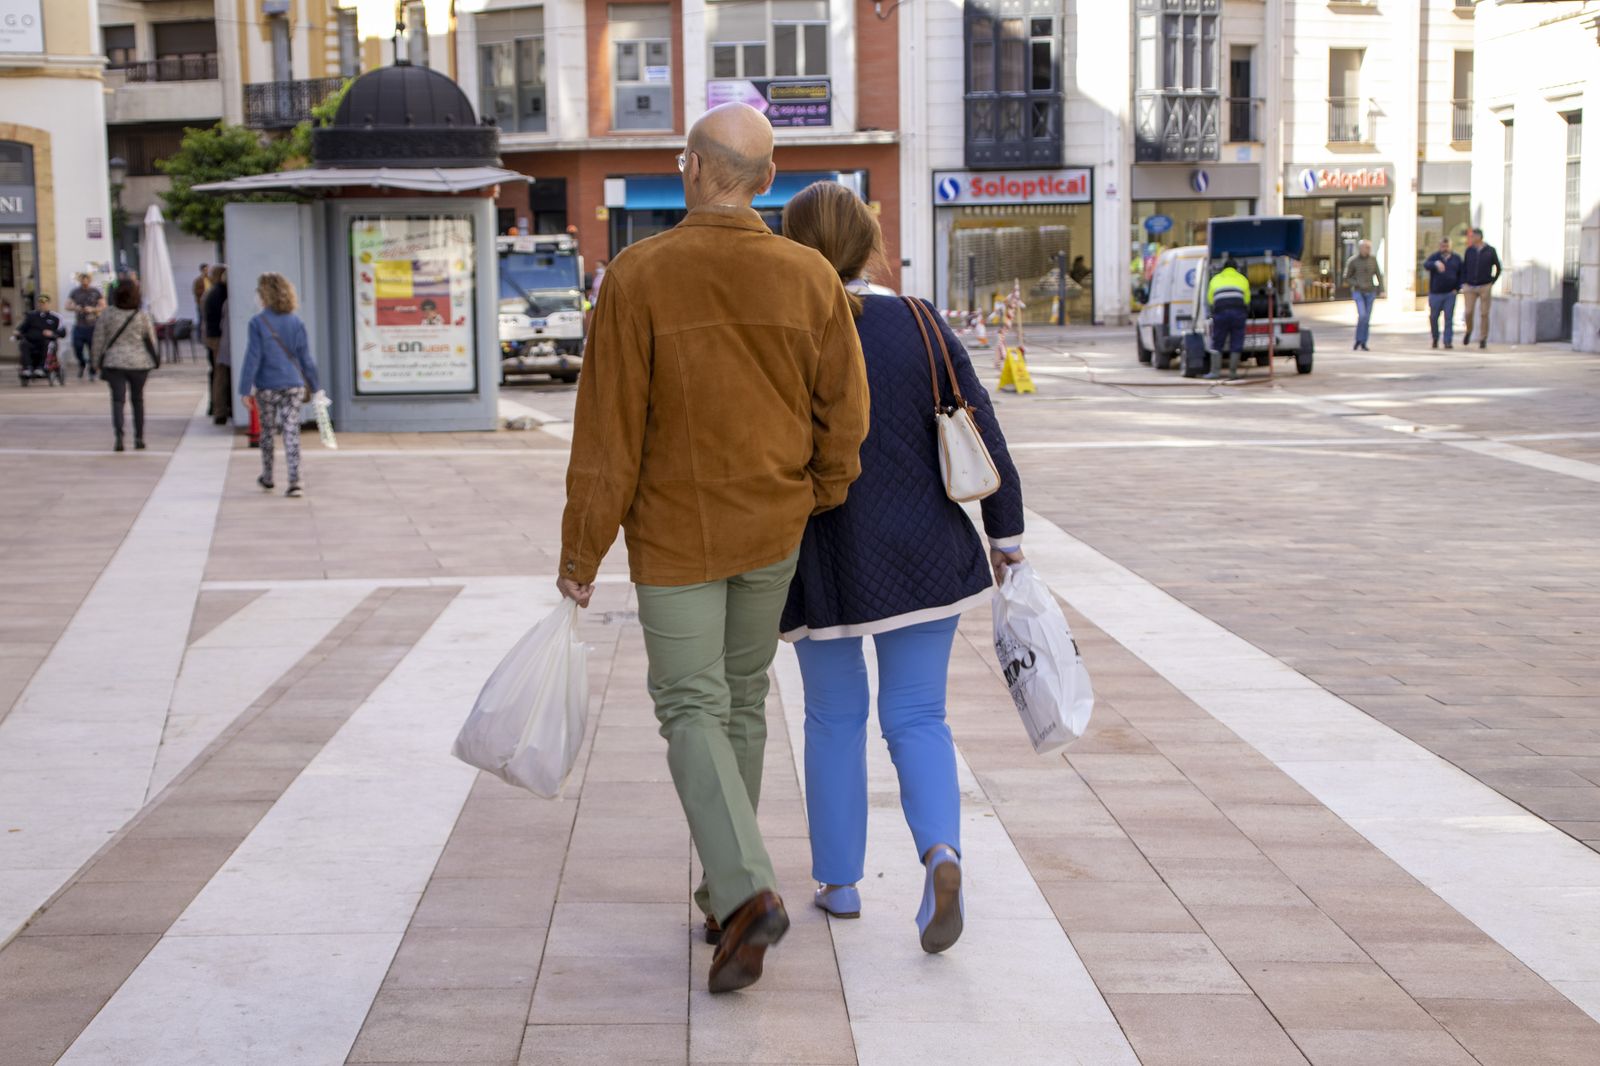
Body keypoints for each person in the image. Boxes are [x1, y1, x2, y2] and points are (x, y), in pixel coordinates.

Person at [556, 103, 870, 994]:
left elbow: (608, 432)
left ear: (691, 166)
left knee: (690, 705)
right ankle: (722, 894)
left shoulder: (638, 275)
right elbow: (846, 415)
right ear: (766, 181)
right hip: (773, 527)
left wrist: (581, 551)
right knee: (739, 702)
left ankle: (743, 891)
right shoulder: (810, 277)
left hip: (676, 534)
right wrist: (818, 492)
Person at [777, 180, 1024, 955]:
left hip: (823, 559)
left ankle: (841, 883)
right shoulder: (918, 320)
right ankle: (941, 854)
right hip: (924, 554)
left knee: (833, 717)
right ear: (869, 246)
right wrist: (1006, 535)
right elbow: (980, 423)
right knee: (919, 716)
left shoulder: (786, 328)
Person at [238, 272, 319, 498]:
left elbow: (253, 357)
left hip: (267, 386)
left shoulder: (257, 322)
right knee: (291, 430)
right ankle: (295, 481)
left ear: (264, 294)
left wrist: (245, 388)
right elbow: (305, 358)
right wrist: (316, 386)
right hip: (293, 384)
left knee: (267, 431)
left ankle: (268, 476)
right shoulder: (296, 321)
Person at [91, 280, 158, 451]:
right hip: (139, 362)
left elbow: (98, 339)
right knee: (138, 400)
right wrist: (155, 358)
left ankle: (119, 437)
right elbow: (151, 339)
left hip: (114, 362)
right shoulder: (142, 315)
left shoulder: (108, 314)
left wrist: (95, 362)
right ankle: (139, 437)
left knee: (117, 400)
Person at [1207, 256, 1250, 373]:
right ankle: (1233, 372)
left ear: (1223, 268)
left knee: (1217, 341)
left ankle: (1215, 372)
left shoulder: (1215, 279)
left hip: (1221, 313)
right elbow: (1246, 300)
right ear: (1236, 268)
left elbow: (1210, 300)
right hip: (1238, 314)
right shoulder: (1242, 279)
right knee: (1236, 341)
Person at [1461, 227, 1502, 350]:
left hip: (1485, 285)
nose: (1471, 238)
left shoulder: (1490, 250)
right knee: (1468, 312)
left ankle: (1483, 338)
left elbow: (1498, 267)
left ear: (1479, 237)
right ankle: (1469, 331)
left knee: (1484, 313)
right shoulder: (1469, 250)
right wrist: (1463, 282)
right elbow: (1464, 267)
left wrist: (1492, 282)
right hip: (1470, 286)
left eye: (1473, 236)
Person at [1422, 237, 1464, 349]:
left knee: (1449, 318)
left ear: (1450, 246)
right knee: (1434, 317)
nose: (1445, 248)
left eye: (1447, 246)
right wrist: (1435, 264)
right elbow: (1426, 265)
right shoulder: (1435, 257)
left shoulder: (1456, 259)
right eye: (1443, 246)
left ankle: (1447, 341)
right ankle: (1435, 338)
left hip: (1450, 293)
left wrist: (1457, 289)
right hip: (1435, 293)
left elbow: (1462, 274)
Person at [1342, 240, 1382, 351]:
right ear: (1360, 248)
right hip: (1358, 292)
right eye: (1366, 247)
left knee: (1367, 318)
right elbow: (1346, 277)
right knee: (1362, 315)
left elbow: (1378, 275)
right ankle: (1358, 339)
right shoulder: (1353, 261)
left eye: (1369, 247)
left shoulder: (1373, 260)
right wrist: (1357, 283)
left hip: (1370, 292)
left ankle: (1363, 341)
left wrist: (1381, 290)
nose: (1368, 249)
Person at [65, 273, 105, 380]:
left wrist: (93, 309)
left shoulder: (95, 292)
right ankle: (82, 363)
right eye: (83, 280)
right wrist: (75, 308)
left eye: (86, 280)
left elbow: (103, 306)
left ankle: (92, 370)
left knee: (93, 349)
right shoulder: (75, 292)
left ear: (89, 281)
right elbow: (67, 305)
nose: (84, 282)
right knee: (77, 346)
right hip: (79, 325)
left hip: (92, 325)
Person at [15, 294, 61, 381]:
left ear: (48, 304)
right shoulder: (31, 316)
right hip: (31, 341)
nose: (42, 305)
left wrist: (52, 333)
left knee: (48, 345)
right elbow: (22, 327)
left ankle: (41, 367)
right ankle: (27, 368)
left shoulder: (55, 318)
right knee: (23, 344)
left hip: (46, 342)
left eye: (44, 303)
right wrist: (17, 332)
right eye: (40, 303)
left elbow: (62, 331)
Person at [203, 264, 228, 418]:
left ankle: (216, 407)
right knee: (221, 373)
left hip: (212, 336)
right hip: (218, 337)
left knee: (217, 372)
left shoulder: (211, 292)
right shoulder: (220, 292)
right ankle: (220, 410)